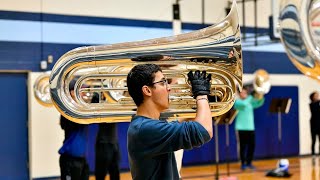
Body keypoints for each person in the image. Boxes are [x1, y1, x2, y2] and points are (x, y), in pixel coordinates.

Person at [126, 64, 213, 179]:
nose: (169, 88)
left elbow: (176, 123)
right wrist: (201, 95)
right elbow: (205, 131)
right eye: (162, 83)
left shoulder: (145, 124)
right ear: (147, 90)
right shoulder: (146, 129)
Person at [58, 78, 89, 180]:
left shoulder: (82, 109)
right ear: (72, 92)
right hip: (69, 159)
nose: (83, 94)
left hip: (82, 158)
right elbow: (66, 125)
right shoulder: (66, 111)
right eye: (81, 91)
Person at [234, 86, 265, 170]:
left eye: (245, 93)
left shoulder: (250, 102)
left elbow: (259, 103)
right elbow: (244, 104)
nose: (244, 94)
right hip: (241, 128)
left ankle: (249, 162)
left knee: (252, 146)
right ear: (239, 94)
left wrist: (261, 95)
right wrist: (251, 96)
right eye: (242, 93)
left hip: (250, 128)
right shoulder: (237, 102)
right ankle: (243, 163)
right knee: (243, 146)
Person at [91, 93, 121, 180]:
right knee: (101, 174)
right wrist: (104, 96)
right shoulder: (97, 96)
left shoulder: (115, 96)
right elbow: (93, 110)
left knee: (115, 173)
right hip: (103, 142)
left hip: (114, 142)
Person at [309, 91, 320, 162]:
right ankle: (313, 154)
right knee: (314, 140)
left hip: (319, 124)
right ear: (312, 97)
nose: (318, 96)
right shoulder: (311, 104)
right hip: (313, 124)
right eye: (316, 95)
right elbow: (315, 110)